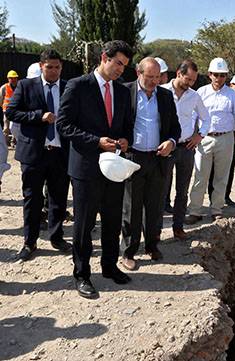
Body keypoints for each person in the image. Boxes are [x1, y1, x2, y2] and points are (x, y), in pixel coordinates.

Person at [56, 40, 134, 299]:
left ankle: (110, 267)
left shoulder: (122, 92)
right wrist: (95, 142)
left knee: (112, 222)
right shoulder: (77, 86)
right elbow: (64, 125)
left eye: (125, 66)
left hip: (114, 169)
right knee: (84, 225)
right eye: (118, 63)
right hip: (86, 168)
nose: (121, 70)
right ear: (104, 57)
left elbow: (126, 126)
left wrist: (124, 140)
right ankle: (82, 274)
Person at [6, 50, 72, 261]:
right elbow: (11, 112)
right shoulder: (26, 86)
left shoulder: (68, 87)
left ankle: (56, 237)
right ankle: (30, 241)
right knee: (32, 199)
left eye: (57, 67)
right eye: (50, 67)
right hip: (34, 153)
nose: (54, 71)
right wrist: (38, 116)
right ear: (41, 66)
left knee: (58, 198)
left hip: (60, 153)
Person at [120, 57, 180, 270]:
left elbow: (175, 127)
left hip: (157, 159)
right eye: (150, 77)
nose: (155, 81)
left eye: (157, 77)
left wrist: (171, 143)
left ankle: (152, 245)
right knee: (132, 207)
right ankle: (128, 251)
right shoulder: (124, 93)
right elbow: (115, 123)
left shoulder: (165, 96)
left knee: (154, 207)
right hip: (133, 158)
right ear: (138, 73)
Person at [185, 58, 235, 224]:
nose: (219, 78)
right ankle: (195, 210)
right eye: (216, 74)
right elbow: (193, 115)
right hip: (204, 138)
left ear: (226, 76)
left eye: (222, 75)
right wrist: (191, 136)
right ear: (209, 75)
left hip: (226, 139)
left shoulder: (232, 95)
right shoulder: (201, 92)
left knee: (221, 177)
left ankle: (216, 209)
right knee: (200, 176)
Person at [159, 60, 209, 241]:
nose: (191, 83)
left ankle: (178, 228)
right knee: (161, 190)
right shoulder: (161, 91)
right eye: (188, 79)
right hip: (165, 148)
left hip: (186, 148)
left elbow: (206, 118)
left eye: (194, 80)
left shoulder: (194, 96)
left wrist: (200, 135)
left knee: (182, 191)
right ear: (179, 74)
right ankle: (155, 233)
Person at [208, 73, 235, 206]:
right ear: (231, 84)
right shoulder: (221, 96)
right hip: (212, 135)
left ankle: (225, 196)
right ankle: (212, 198)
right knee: (213, 169)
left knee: (229, 168)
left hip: (231, 136)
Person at [1, 70, 19, 147]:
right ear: (8, 79)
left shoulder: (20, 86)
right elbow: (1, 99)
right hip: (7, 111)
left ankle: (14, 141)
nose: (13, 79)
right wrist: (4, 107)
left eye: (15, 78)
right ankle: (5, 142)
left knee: (16, 127)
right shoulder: (4, 87)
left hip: (17, 111)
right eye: (11, 78)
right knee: (6, 128)